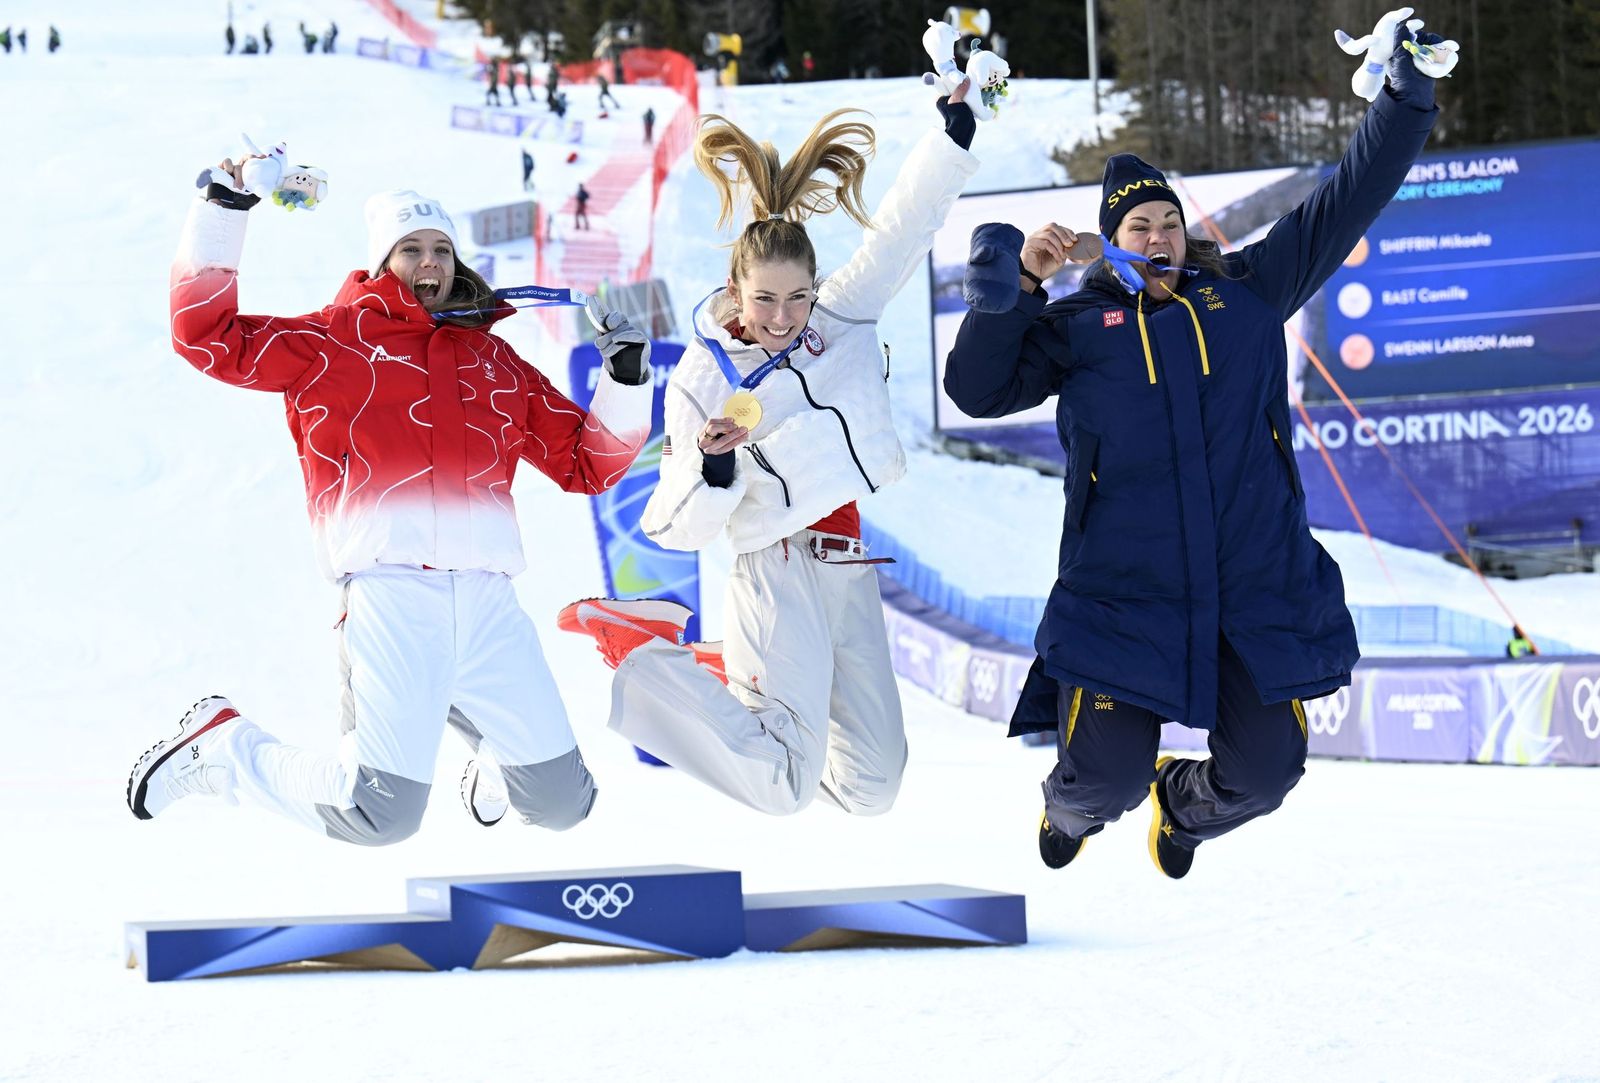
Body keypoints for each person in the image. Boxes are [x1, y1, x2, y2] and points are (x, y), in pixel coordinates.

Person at [942, 10, 1454, 878]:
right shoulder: (1078, 326)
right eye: (1138, 227)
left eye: (1168, 223)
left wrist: (1407, 98)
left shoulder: (1249, 292)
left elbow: (1349, 197)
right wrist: (1018, 288)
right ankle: (1072, 808)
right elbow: (977, 389)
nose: (1158, 238)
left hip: (1252, 582)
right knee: (1100, 779)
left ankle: (1180, 809)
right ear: (1114, 244)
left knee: (1267, 770)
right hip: (1125, 594)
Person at [126, 154, 656, 844]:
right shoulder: (328, 341)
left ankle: (491, 748)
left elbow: (591, 463)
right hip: (392, 595)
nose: (429, 261)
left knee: (563, 803)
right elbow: (207, 337)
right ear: (382, 263)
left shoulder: (495, 364)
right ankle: (224, 749)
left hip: (490, 603)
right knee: (377, 815)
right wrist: (224, 209)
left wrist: (625, 375)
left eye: (440, 248)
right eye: (411, 249)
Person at [495, 83, 982, 821]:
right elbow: (672, 523)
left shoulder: (840, 320)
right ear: (735, 288)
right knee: (785, 782)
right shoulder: (702, 374)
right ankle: (643, 653)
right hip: (774, 567)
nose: (783, 319)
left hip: (846, 562)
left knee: (874, 785)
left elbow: (902, 230)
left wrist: (953, 138)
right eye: (764, 301)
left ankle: (742, 669)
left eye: (797, 298)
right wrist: (715, 465)